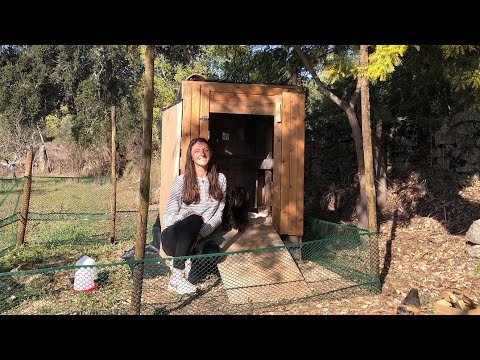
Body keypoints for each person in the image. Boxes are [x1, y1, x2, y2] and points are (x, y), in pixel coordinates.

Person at [161, 137, 226, 295]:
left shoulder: (220, 179)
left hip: (198, 239)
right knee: (195, 219)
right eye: (197, 151)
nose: (202, 154)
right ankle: (177, 275)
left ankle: (177, 279)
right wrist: (189, 215)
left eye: (205, 150)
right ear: (191, 156)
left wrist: (200, 233)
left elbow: (219, 215)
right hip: (173, 238)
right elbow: (168, 218)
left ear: (210, 153)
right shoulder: (181, 181)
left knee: (210, 246)